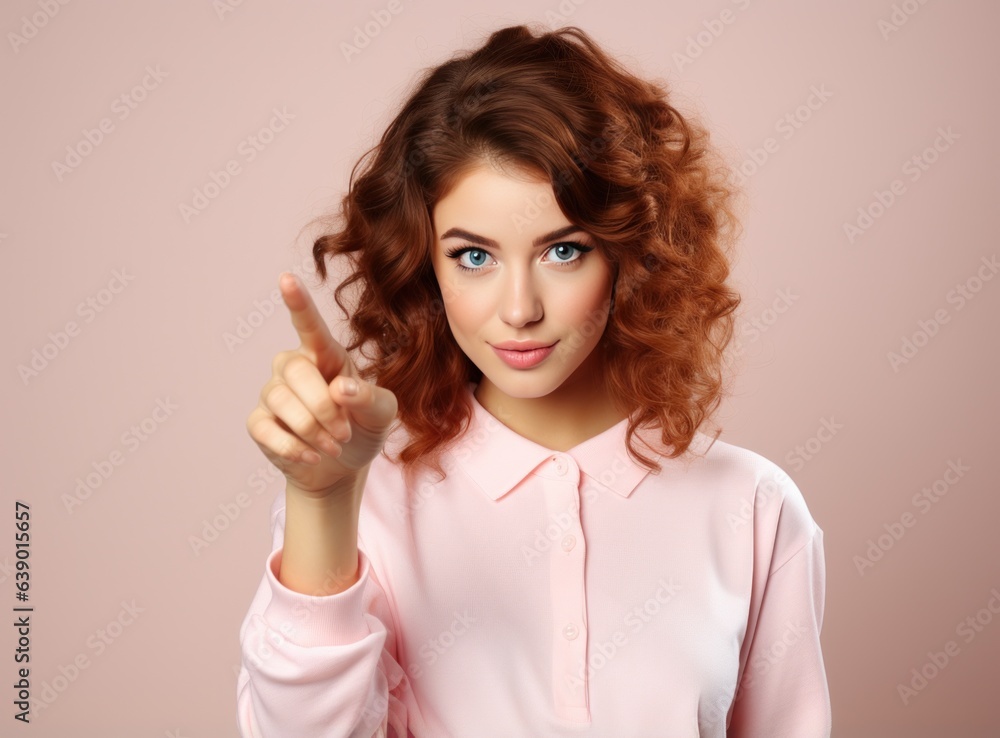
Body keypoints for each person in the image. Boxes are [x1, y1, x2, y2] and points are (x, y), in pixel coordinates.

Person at [236, 23, 831, 738]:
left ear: (628, 255)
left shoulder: (755, 510)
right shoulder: (369, 497)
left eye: (563, 249)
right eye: (474, 257)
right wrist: (321, 501)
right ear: (427, 266)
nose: (519, 309)